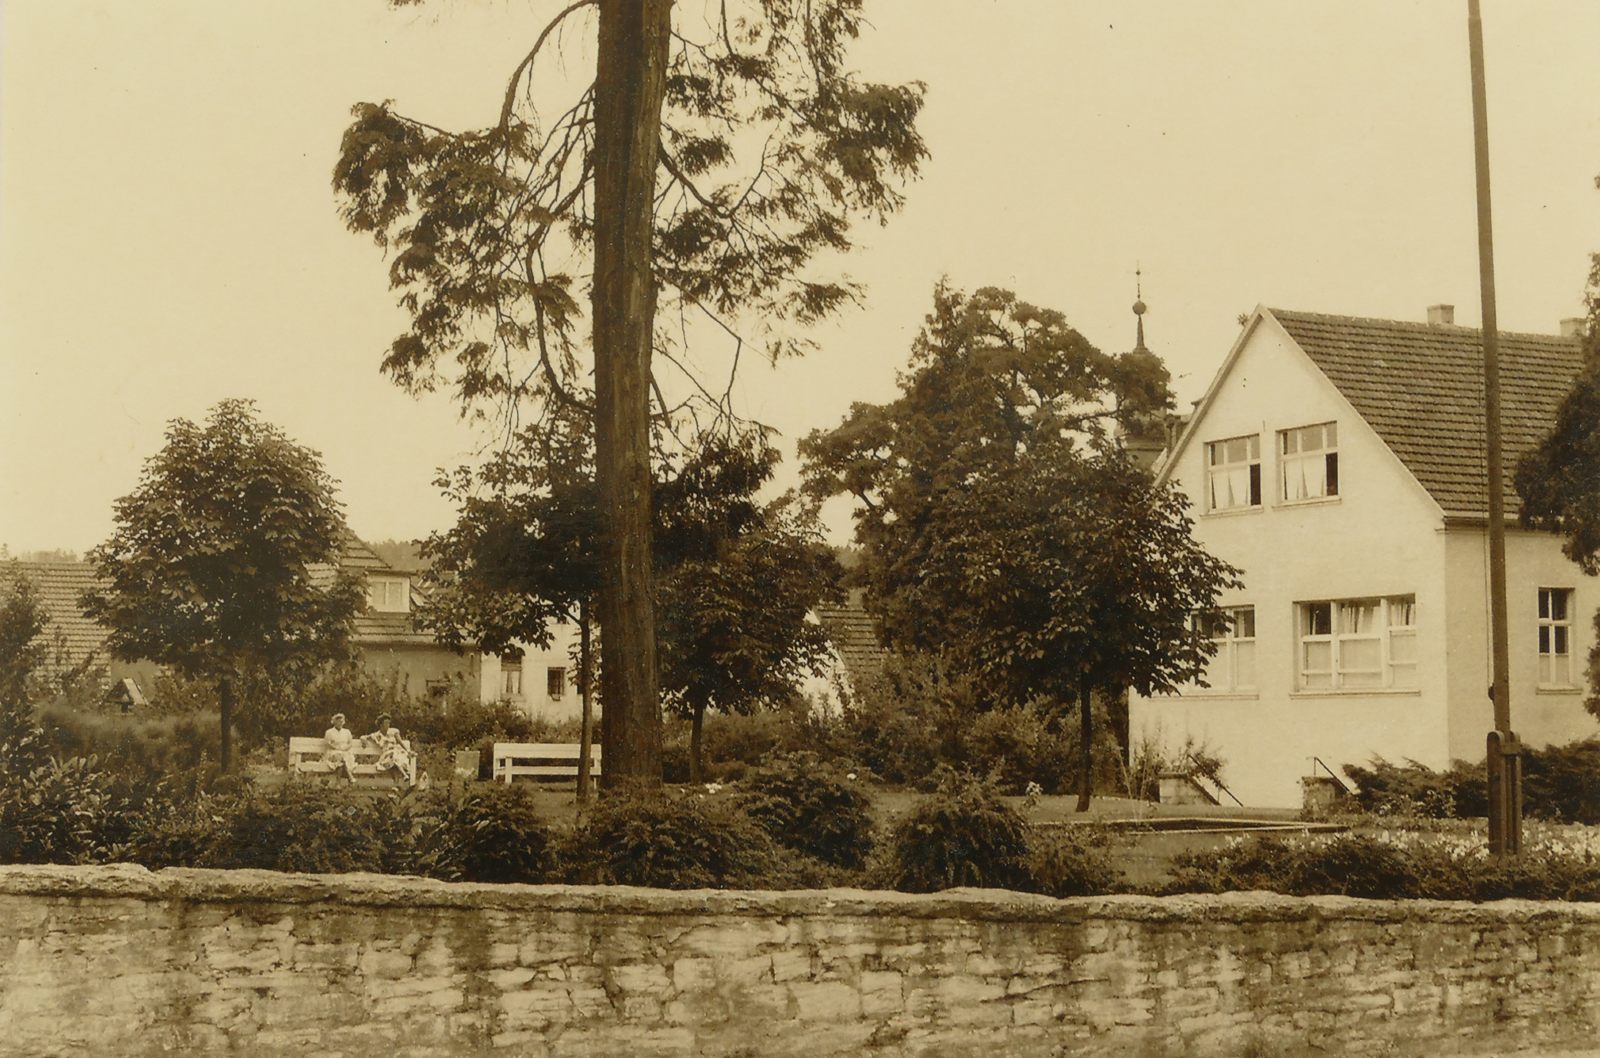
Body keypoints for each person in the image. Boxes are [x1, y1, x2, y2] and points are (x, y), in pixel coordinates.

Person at [366, 712, 417, 789]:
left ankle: (396, 785)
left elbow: (400, 742)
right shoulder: (377, 735)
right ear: (381, 725)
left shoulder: (394, 731)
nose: (388, 725)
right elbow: (365, 737)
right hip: (386, 756)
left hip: (397, 753)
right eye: (386, 723)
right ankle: (404, 775)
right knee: (392, 759)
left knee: (394, 758)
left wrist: (408, 751)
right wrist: (363, 739)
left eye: (389, 723)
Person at [322, 713, 357, 783]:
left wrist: (344, 749)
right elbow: (327, 743)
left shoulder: (347, 732)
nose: (340, 723)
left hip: (345, 752)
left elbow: (350, 743)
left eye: (341, 721)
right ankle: (350, 776)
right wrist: (336, 748)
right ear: (334, 722)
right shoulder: (329, 732)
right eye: (338, 721)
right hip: (333, 752)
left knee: (341, 760)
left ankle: (338, 784)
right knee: (340, 757)